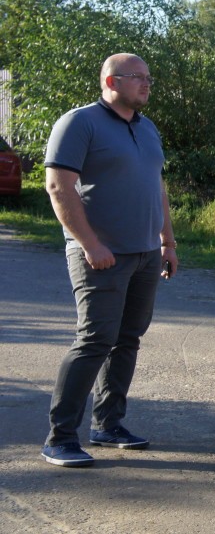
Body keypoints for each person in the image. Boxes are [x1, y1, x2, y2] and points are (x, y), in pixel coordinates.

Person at [41, 53, 178, 468]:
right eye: (137, 77)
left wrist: (167, 242)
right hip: (100, 255)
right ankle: (60, 438)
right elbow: (58, 187)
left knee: (127, 339)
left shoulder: (147, 127)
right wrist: (89, 243)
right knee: (94, 340)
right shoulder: (79, 123)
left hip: (145, 254)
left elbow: (157, 186)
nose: (146, 84)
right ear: (111, 81)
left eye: (149, 77)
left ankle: (108, 424)